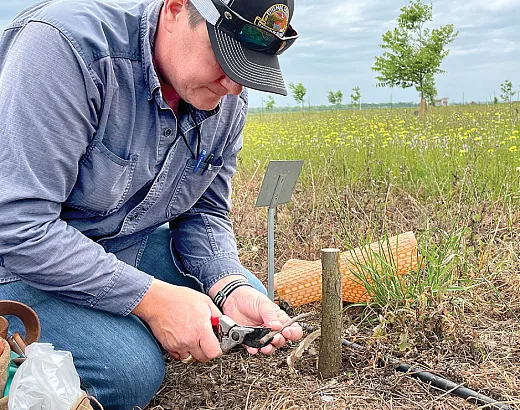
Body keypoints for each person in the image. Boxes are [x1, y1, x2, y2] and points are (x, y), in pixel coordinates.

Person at [0, 0, 301, 408]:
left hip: (117, 245)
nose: (234, 86)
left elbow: (204, 211)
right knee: (128, 371)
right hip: (18, 262)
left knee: (244, 298)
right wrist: (154, 301)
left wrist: (227, 285)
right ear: (176, 8)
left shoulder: (224, 99)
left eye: (247, 68)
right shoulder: (65, 48)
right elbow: (18, 226)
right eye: (226, 57)